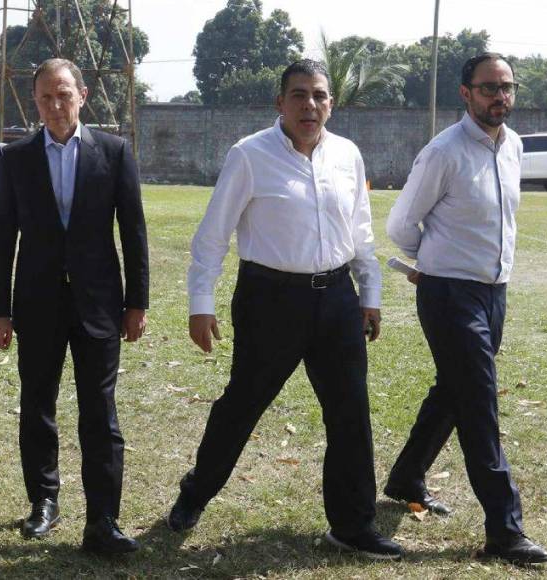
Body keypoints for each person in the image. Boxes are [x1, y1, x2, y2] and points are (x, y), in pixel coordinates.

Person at [166, 59, 403, 560]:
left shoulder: (347, 155)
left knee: (350, 414)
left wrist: (370, 293)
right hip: (269, 300)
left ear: (330, 104)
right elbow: (212, 236)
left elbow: (360, 231)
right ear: (280, 103)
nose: (309, 106)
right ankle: (196, 491)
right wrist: (200, 304)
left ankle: (353, 525)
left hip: (337, 299)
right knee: (241, 405)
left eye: (319, 96)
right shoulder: (250, 156)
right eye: (298, 95)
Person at [384, 53, 547, 566]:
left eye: (507, 88)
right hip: (449, 295)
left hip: (492, 292)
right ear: (465, 93)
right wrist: (432, 265)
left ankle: (406, 477)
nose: (500, 97)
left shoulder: (515, 146)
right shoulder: (444, 152)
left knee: (454, 392)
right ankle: (505, 529)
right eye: (488, 88)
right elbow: (400, 227)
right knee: (479, 404)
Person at [0, 58, 149, 555]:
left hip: (99, 304)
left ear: (82, 95)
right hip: (36, 303)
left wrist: (136, 301)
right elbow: (0, 240)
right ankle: (44, 501)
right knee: (38, 405)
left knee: (100, 412)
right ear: (34, 102)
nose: (55, 106)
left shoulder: (114, 152)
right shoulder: (15, 159)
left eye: (64, 95)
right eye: (44, 98)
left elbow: (133, 232)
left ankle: (103, 519)